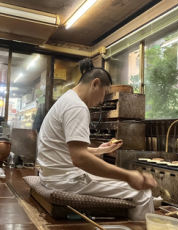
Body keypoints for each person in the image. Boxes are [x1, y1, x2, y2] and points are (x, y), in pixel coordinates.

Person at [36, 58, 157, 221]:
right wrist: (129, 176)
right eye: (104, 94)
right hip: (65, 180)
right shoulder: (77, 107)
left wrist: (100, 150)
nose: (101, 100)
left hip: (52, 176)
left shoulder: (67, 99)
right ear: (95, 83)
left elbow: (66, 149)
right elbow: (80, 159)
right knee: (142, 192)